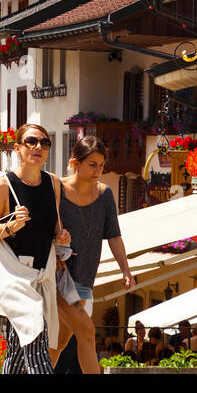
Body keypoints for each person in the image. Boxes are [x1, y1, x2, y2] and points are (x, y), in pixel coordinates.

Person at [0, 123, 70, 375]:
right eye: (31, 141)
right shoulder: (3, 185)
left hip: (43, 273)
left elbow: (55, 227)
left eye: (44, 142)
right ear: (18, 148)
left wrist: (61, 237)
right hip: (13, 273)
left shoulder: (53, 183)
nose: (38, 147)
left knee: (17, 351)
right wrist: (12, 225)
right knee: (35, 329)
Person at [54, 136, 133, 374]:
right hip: (59, 276)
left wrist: (126, 270)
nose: (98, 170)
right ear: (75, 163)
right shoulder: (56, 188)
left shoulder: (105, 195)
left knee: (60, 343)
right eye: (92, 164)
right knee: (87, 333)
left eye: (101, 165)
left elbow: (114, 236)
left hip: (85, 278)